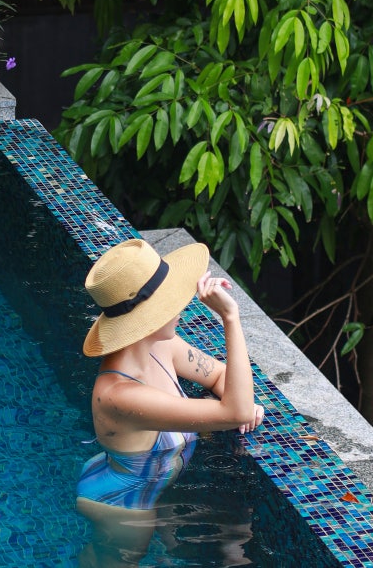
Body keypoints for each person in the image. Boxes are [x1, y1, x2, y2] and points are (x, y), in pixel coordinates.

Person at [76, 238, 265, 567]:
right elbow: (236, 410)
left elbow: (221, 376)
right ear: (148, 315)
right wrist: (230, 318)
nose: (181, 306)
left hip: (141, 485)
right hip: (122, 504)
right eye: (170, 299)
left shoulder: (162, 346)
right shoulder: (121, 395)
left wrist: (240, 403)